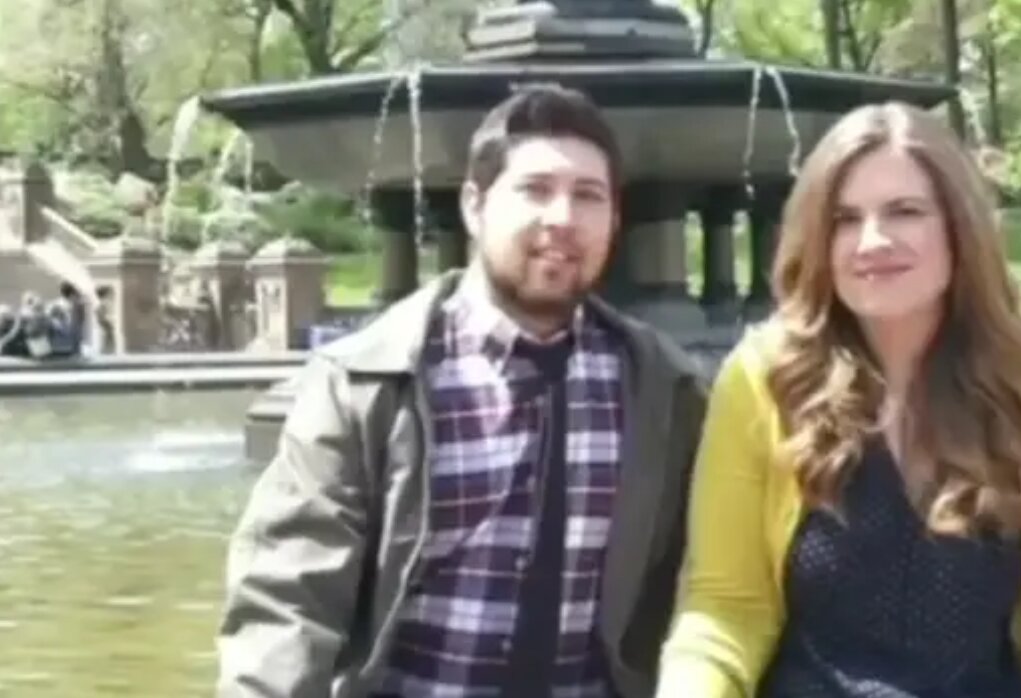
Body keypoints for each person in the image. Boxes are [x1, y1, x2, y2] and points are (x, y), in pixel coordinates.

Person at [217, 84, 709, 698]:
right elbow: (288, 600)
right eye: (535, 189)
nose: (562, 218)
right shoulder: (366, 384)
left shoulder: (665, 389)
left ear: (613, 220)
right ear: (475, 207)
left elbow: (708, 588)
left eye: (588, 196)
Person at [656, 102, 1021, 698]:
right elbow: (725, 607)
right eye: (845, 219)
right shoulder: (762, 380)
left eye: (905, 211)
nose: (871, 241)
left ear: (959, 228)